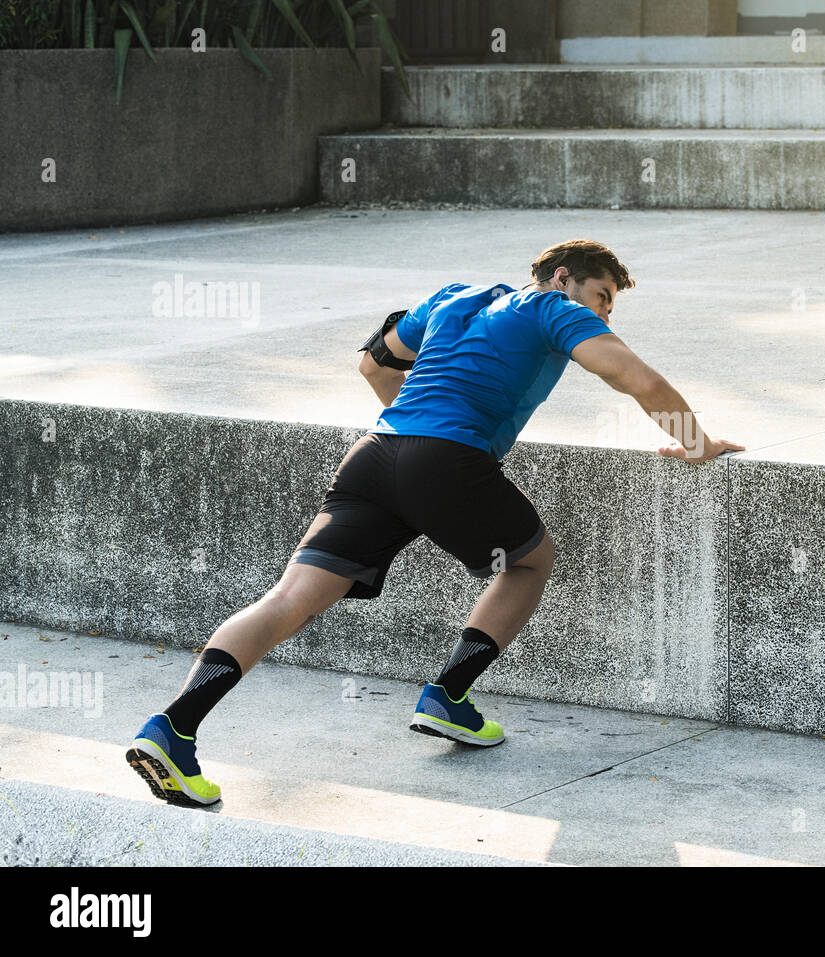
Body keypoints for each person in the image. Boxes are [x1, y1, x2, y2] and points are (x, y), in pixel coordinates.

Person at [125, 238, 745, 807]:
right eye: (603, 296)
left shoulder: (453, 296)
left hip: (374, 457)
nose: (605, 314)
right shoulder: (556, 310)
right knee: (529, 562)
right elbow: (636, 378)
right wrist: (695, 443)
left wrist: (416, 440)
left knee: (289, 597)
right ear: (563, 278)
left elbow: (373, 363)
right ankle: (448, 694)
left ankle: (173, 727)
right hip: (447, 461)